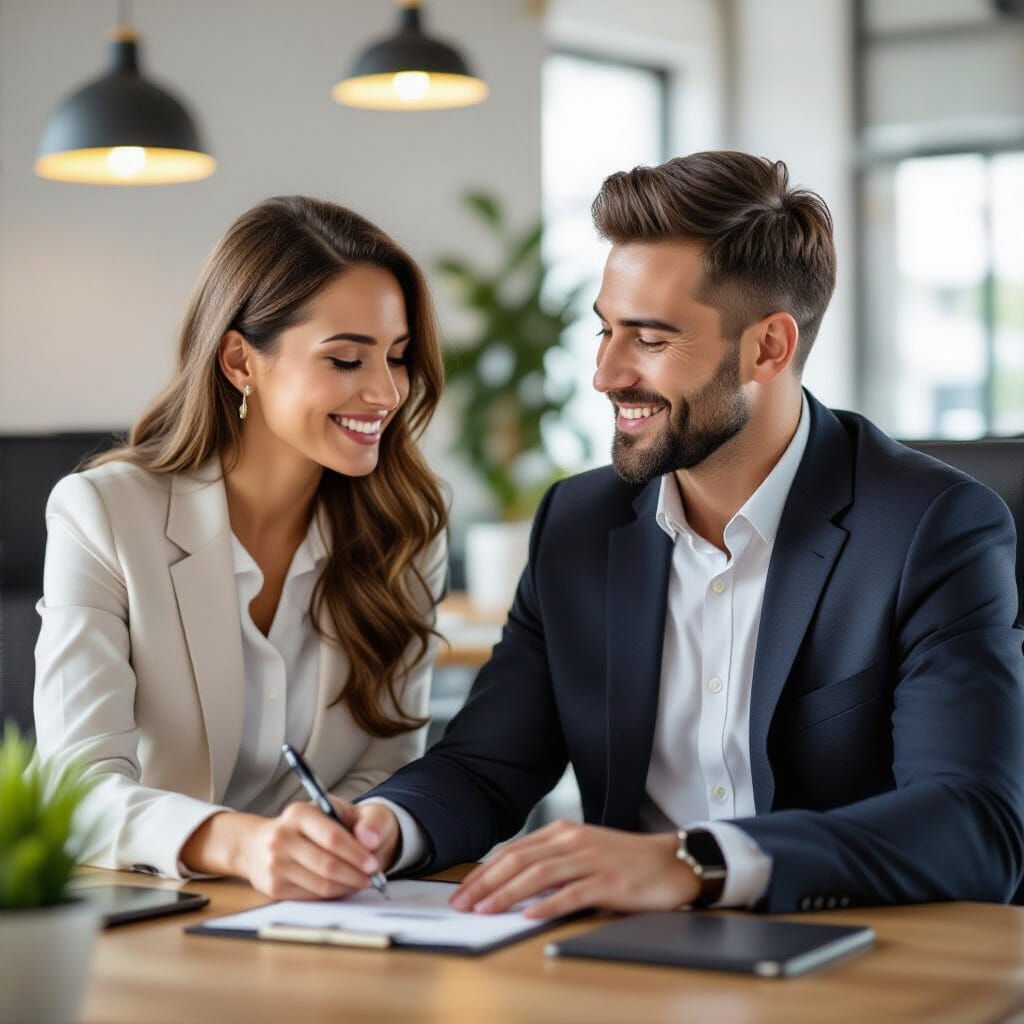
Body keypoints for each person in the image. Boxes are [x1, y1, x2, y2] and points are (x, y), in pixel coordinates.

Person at [344, 151, 1024, 916]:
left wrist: (696, 864)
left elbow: (973, 825)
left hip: (843, 964)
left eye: (651, 340)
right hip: (620, 967)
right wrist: (379, 828)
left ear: (769, 346)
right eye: (604, 331)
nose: (605, 373)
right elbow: (484, 766)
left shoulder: (929, 529)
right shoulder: (578, 523)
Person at [33, 196, 448, 900]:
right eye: (346, 359)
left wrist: (356, 833)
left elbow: (387, 767)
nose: (386, 392)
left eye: (399, 357)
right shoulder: (103, 513)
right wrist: (243, 843)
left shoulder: (405, 525)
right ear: (239, 361)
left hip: (324, 917)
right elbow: (75, 788)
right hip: (153, 911)